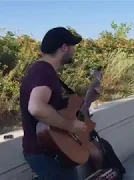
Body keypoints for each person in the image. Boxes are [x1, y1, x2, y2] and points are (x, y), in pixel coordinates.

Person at [19, 27, 89, 180]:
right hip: (46, 153)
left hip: (54, 149)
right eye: (73, 46)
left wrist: (91, 98)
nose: (74, 50)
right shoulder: (43, 72)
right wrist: (70, 126)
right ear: (64, 47)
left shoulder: (44, 71)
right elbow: (37, 108)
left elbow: (56, 108)